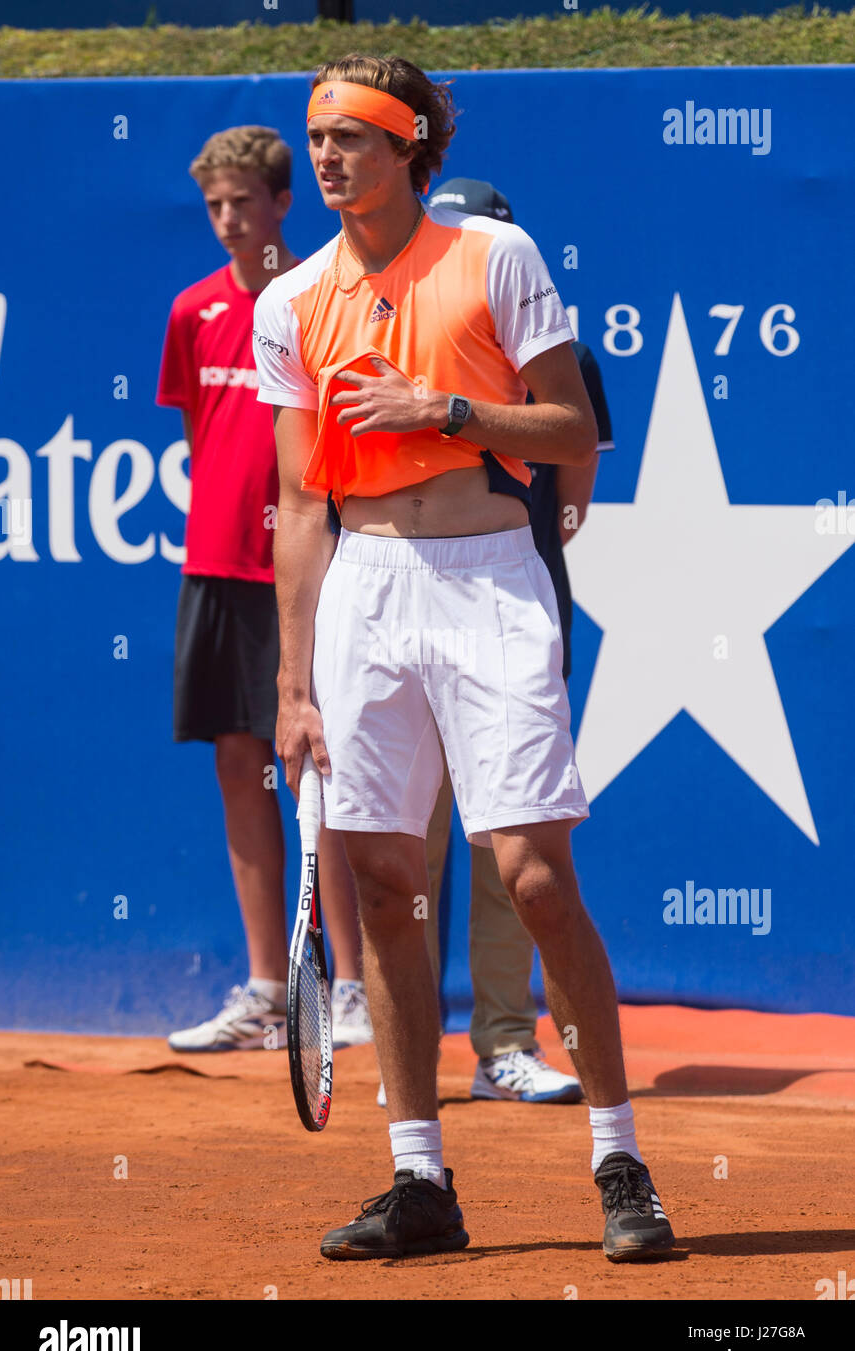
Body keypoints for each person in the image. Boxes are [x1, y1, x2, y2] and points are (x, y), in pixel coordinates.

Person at [254, 57, 675, 1263]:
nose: (325, 155)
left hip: (490, 576)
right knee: (383, 886)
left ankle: (617, 1156)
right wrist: (293, 682)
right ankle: (419, 1180)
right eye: (315, 135)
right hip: (362, 592)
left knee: (533, 876)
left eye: (350, 135)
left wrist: (445, 412)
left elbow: (571, 428)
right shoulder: (290, 302)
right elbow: (295, 503)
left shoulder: (496, 258)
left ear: (409, 146)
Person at [394, 177, 616, 1107]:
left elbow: (565, 509)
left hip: (513, 624)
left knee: (511, 853)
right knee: (405, 847)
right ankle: (410, 1056)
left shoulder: (560, 354)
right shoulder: (394, 343)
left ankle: (503, 1044)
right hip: (402, 623)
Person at [156, 125, 371, 1053]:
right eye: (214, 206)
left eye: (245, 202)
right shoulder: (192, 312)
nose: (229, 221)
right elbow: (207, 447)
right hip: (215, 571)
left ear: (285, 203)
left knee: (332, 778)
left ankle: (355, 990)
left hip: (311, 572)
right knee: (240, 767)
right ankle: (270, 989)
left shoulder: (317, 302)